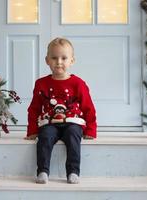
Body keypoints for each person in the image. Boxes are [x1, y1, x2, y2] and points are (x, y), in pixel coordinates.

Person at [25, 37, 97, 184]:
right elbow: (34, 108)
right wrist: (32, 130)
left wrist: (90, 130)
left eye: (64, 58)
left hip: (72, 123)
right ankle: (43, 171)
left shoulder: (78, 84)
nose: (59, 62)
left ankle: (73, 172)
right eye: (54, 58)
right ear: (47, 60)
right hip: (50, 123)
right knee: (45, 136)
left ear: (72, 60)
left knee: (73, 135)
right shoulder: (41, 84)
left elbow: (88, 107)